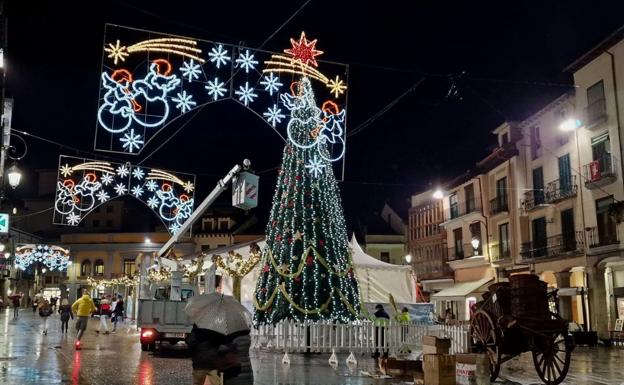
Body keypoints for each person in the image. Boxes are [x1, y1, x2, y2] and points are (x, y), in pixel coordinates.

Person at [187, 326, 253, 385]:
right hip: (213, 365)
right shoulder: (218, 328)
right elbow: (223, 345)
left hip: (199, 365)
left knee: (198, 382)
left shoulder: (199, 326)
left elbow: (190, 343)